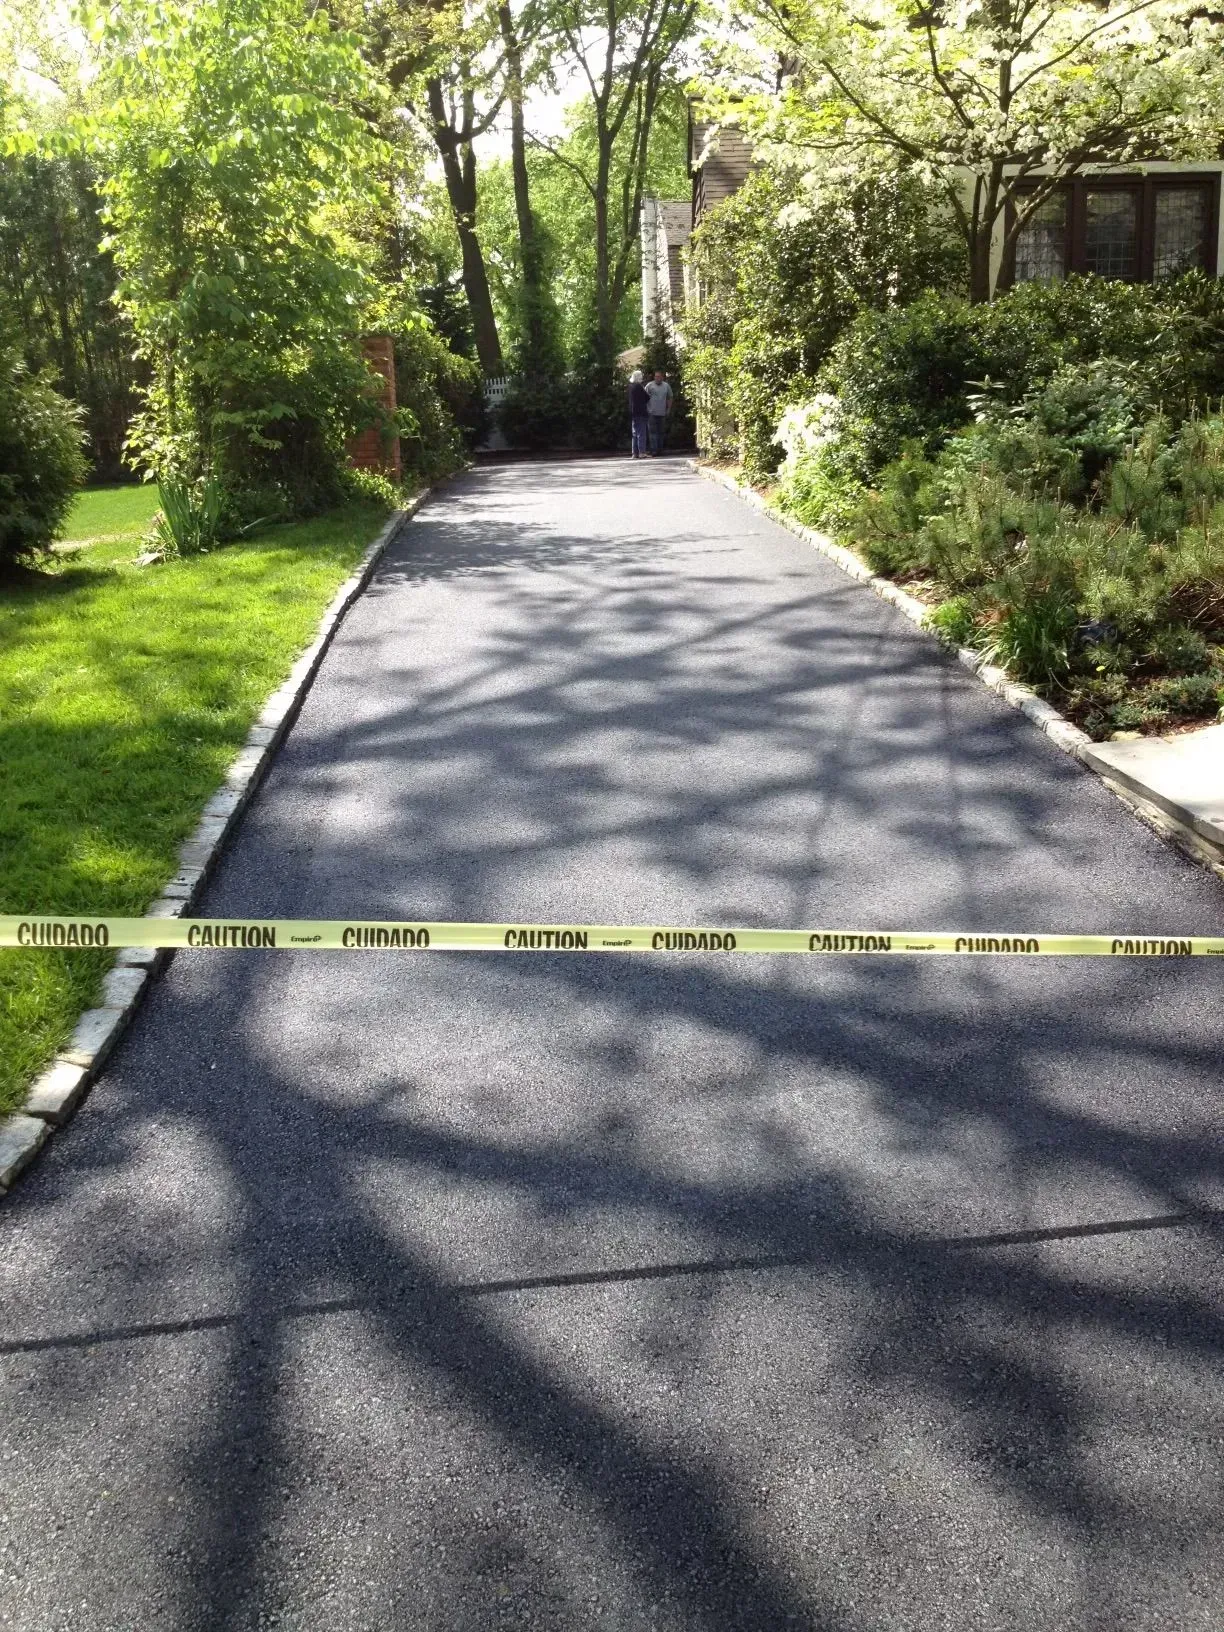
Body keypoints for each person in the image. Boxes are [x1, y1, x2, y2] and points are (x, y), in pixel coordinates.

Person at [644, 370, 673, 456]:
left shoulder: (666, 386)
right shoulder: (649, 385)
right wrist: (646, 409)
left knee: (661, 432)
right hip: (651, 412)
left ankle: (660, 450)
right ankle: (654, 450)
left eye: (659, 376)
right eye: (656, 376)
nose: (657, 378)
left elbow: (670, 397)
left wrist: (668, 409)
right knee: (652, 432)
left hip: (662, 412)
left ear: (662, 377)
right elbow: (644, 397)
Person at [627, 369, 649, 460]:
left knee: (635, 433)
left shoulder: (631, 387)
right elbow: (647, 397)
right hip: (641, 412)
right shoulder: (639, 387)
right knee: (641, 433)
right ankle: (642, 452)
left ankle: (634, 453)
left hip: (633, 412)